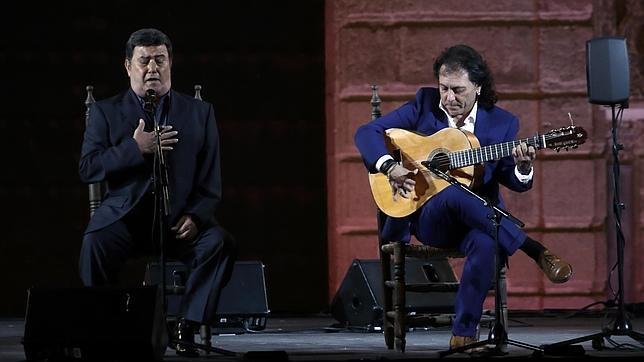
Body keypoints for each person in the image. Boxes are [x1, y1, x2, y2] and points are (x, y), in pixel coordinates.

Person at [354, 44, 573, 351]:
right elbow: (366, 132)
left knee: (486, 244)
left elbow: (512, 179)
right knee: (454, 194)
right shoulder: (424, 104)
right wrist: (390, 167)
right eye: (443, 88)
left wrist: (523, 167)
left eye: (458, 90)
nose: (448, 98)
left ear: (478, 87)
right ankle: (533, 248)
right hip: (428, 217)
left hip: (479, 222)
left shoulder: (502, 123)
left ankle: (463, 336)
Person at [79, 28, 236, 357]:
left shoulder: (199, 113)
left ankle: (187, 325)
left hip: (178, 220)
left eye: (159, 60)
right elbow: (88, 167)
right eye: (144, 60)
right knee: (95, 242)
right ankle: (102, 328)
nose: (152, 67)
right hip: (126, 218)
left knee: (218, 243)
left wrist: (196, 215)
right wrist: (135, 148)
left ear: (170, 64)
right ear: (128, 66)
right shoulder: (106, 112)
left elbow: (211, 181)